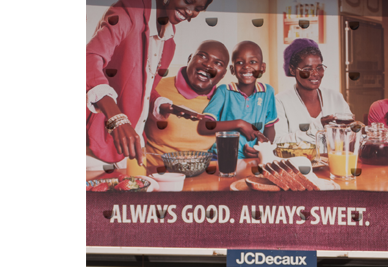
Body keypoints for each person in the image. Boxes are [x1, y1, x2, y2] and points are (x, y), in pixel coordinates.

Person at [86, 0, 215, 169]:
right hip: (95, 145)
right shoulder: (129, 11)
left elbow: (143, 87)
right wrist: (117, 119)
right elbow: (90, 58)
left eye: (198, 9)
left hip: (131, 150)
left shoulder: (169, 41)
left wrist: (164, 106)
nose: (190, 12)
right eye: (188, 1)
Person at [142, 39, 229, 170]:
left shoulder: (224, 101)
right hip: (154, 173)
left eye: (218, 63)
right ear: (189, 59)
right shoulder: (155, 87)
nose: (208, 65)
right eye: (203, 56)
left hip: (202, 177)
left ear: (223, 74)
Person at [197, 41, 277, 159]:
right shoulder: (224, 91)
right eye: (239, 62)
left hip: (252, 159)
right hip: (221, 158)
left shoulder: (267, 92)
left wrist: (263, 149)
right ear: (232, 69)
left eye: (253, 62)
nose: (246, 66)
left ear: (262, 68)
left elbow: (269, 128)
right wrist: (239, 124)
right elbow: (203, 126)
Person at [273, 38, 352, 144]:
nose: (315, 73)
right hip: (297, 160)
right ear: (292, 70)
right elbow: (278, 142)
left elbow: (351, 133)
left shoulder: (335, 97)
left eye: (319, 68)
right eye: (307, 69)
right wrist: (318, 127)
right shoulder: (280, 101)